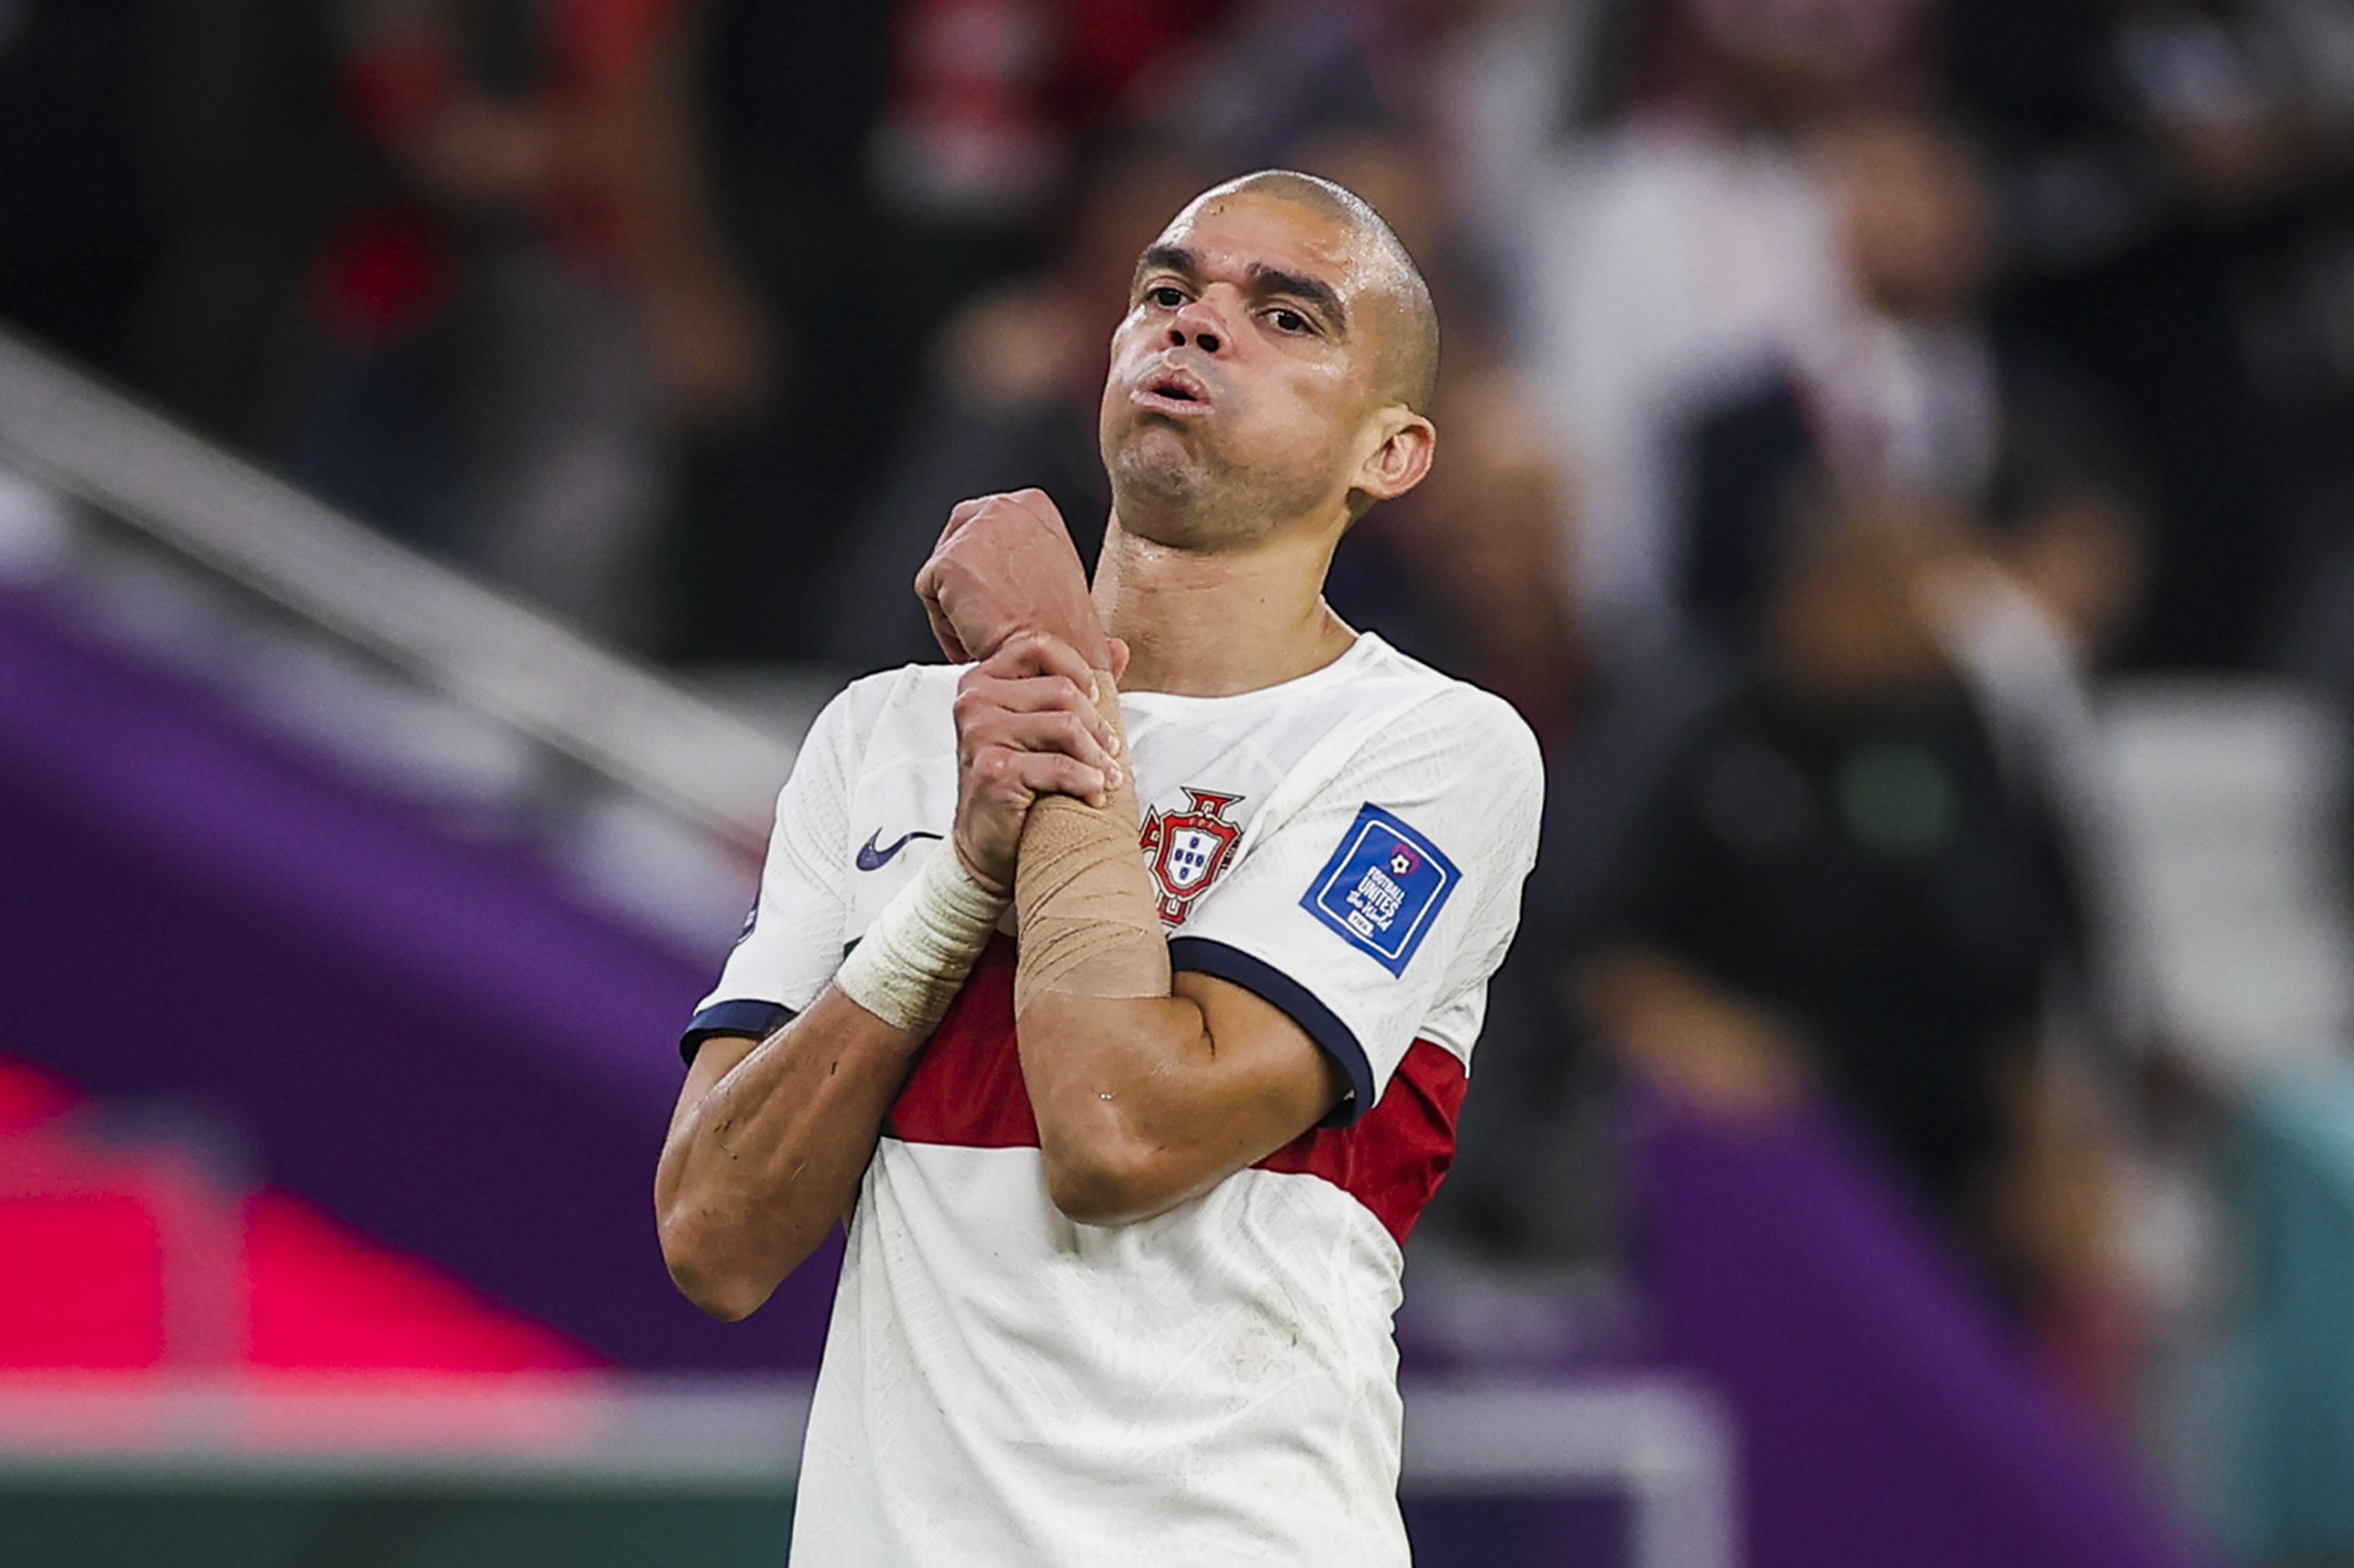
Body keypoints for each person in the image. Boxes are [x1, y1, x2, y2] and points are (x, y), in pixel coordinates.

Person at [654, 171, 1543, 1565]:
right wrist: (954, 885)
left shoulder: (1431, 748)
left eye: (1288, 315)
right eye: (1167, 294)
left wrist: (1048, 679)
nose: (1197, 327)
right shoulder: (882, 736)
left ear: (1394, 453)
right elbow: (714, 1234)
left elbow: (1120, 1133)